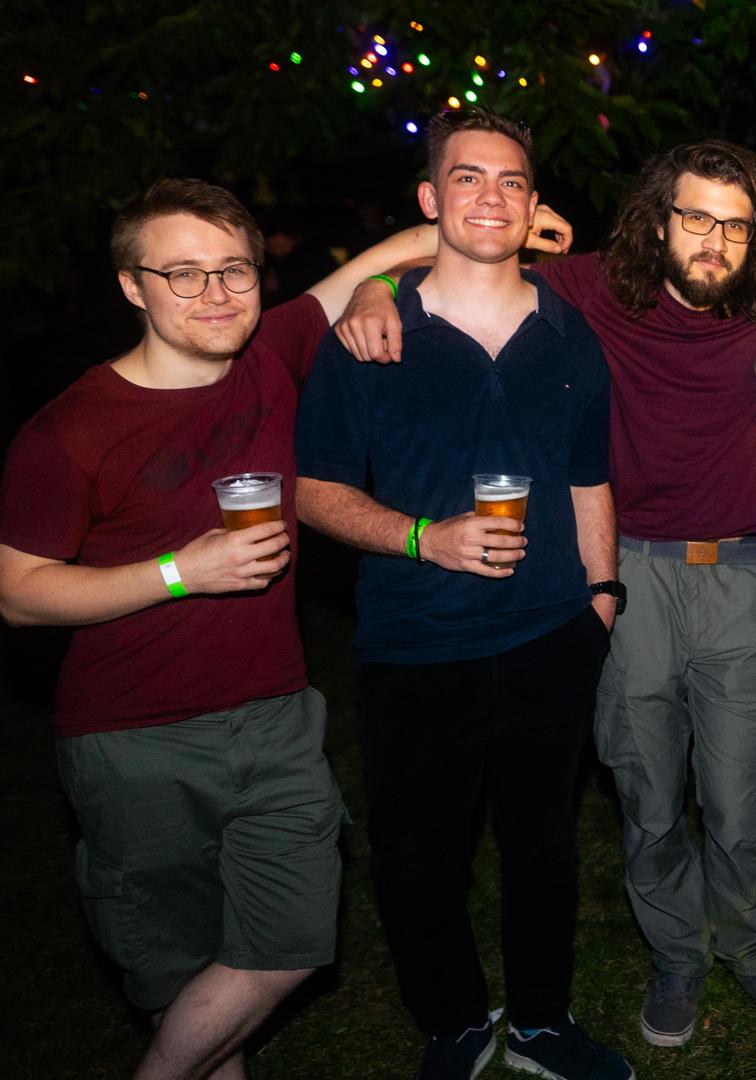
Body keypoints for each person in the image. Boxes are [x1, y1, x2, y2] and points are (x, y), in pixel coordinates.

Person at [329, 138, 756, 1051]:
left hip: (739, 573)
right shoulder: (593, 287)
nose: (715, 240)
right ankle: (678, 957)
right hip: (630, 572)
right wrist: (378, 285)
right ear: (658, 221)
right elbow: (467, 249)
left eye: (734, 224)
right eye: (695, 218)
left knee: (740, 793)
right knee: (646, 794)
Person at [0, 178, 429, 1079]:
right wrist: (177, 573)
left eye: (234, 269)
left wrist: (481, 229)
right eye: (183, 274)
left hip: (275, 716)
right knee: (180, 971)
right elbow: (20, 594)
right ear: (133, 285)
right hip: (131, 738)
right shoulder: (68, 431)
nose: (216, 294)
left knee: (289, 945)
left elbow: (390, 254)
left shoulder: (272, 355)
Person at [294, 109, 631, 1080]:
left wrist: (601, 595)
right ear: (431, 199)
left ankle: (541, 1023)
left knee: (544, 844)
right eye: (469, 178)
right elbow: (312, 488)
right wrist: (422, 538)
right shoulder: (372, 333)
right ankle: (451, 1021)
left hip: (552, 631)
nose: (492, 197)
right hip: (416, 639)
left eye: (512, 181)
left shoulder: (569, 334)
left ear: (534, 205)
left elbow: (589, 477)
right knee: (418, 855)